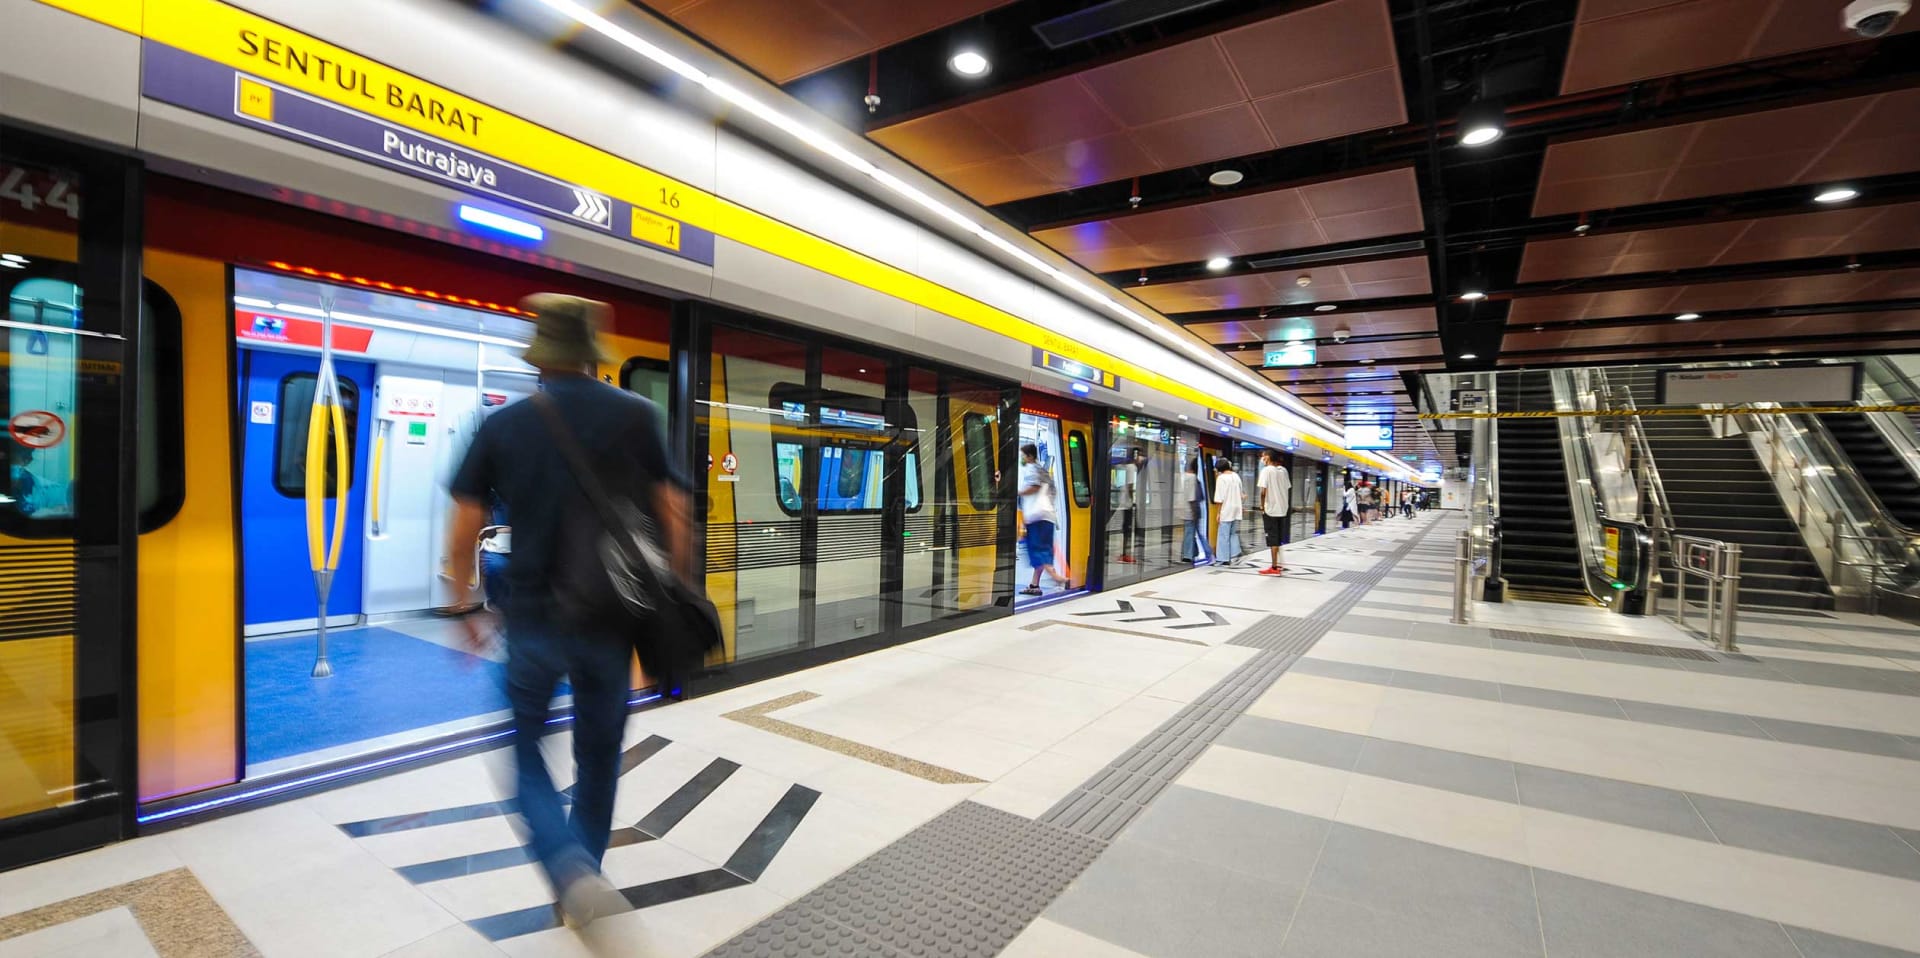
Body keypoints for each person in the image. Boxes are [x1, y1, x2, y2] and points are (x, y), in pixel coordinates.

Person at [444, 294, 690, 930]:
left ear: (541, 359)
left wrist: (463, 605)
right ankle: (584, 877)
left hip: (530, 623)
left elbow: (465, 522)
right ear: (591, 354)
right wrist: (670, 594)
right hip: (610, 622)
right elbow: (675, 515)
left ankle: (567, 868)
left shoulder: (503, 424)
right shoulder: (639, 414)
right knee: (600, 755)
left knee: (526, 752)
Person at [1018, 443, 1064, 596]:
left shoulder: (1032, 469)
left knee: (1037, 550)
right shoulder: (1043, 470)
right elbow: (1053, 492)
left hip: (1037, 518)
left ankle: (1056, 577)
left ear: (1030, 456)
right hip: (1046, 516)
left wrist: (1018, 493)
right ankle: (1034, 585)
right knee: (1042, 549)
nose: (1022, 459)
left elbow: (1034, 487)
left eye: (1023, 456)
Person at [1255, 449, 1289, 576]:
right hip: (1282, 509)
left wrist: (1262, 506)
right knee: (1278, 538)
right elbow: (1287, 488)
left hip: (1271, 510)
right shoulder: (1283, 471)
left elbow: (1263, 492)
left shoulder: (1266, 471)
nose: (1262, 459)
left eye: (1263, 456)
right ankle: (1279, 564)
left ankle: (1274, 567)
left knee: (1272, 538)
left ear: (1268, 457)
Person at [1117, 448, 1148, 563]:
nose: (1142, 458)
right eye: (1141, 455)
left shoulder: (1127, 467)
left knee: (1127, 529)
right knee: (1128, 529)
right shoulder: (1132, 468)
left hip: (1124, 502)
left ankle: (1125, 553)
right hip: (1127, 504)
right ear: (1136, 456)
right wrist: (1133, 501)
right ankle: (1125, 554)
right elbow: (1130, 486)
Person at [1212, 457, 1244, 566]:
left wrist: (1218, 513)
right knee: (1233, 533)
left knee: (1223, 535)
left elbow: (1220, 498)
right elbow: (1241, 493)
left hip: (1227, 509)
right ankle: (1235, 555)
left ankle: (1223, 558)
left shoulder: (1221, 478)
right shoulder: (1236, 476)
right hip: (1236, 509)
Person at [1178, 457, 1203, 563]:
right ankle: (1188, 555)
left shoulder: (1182, 477)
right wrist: (1194, 513)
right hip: (1191, 510)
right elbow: (1195, 497)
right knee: (1190, 532)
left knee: (1189, 532)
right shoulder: (1194, 479)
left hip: (1182, 509)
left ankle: (1192, 552)